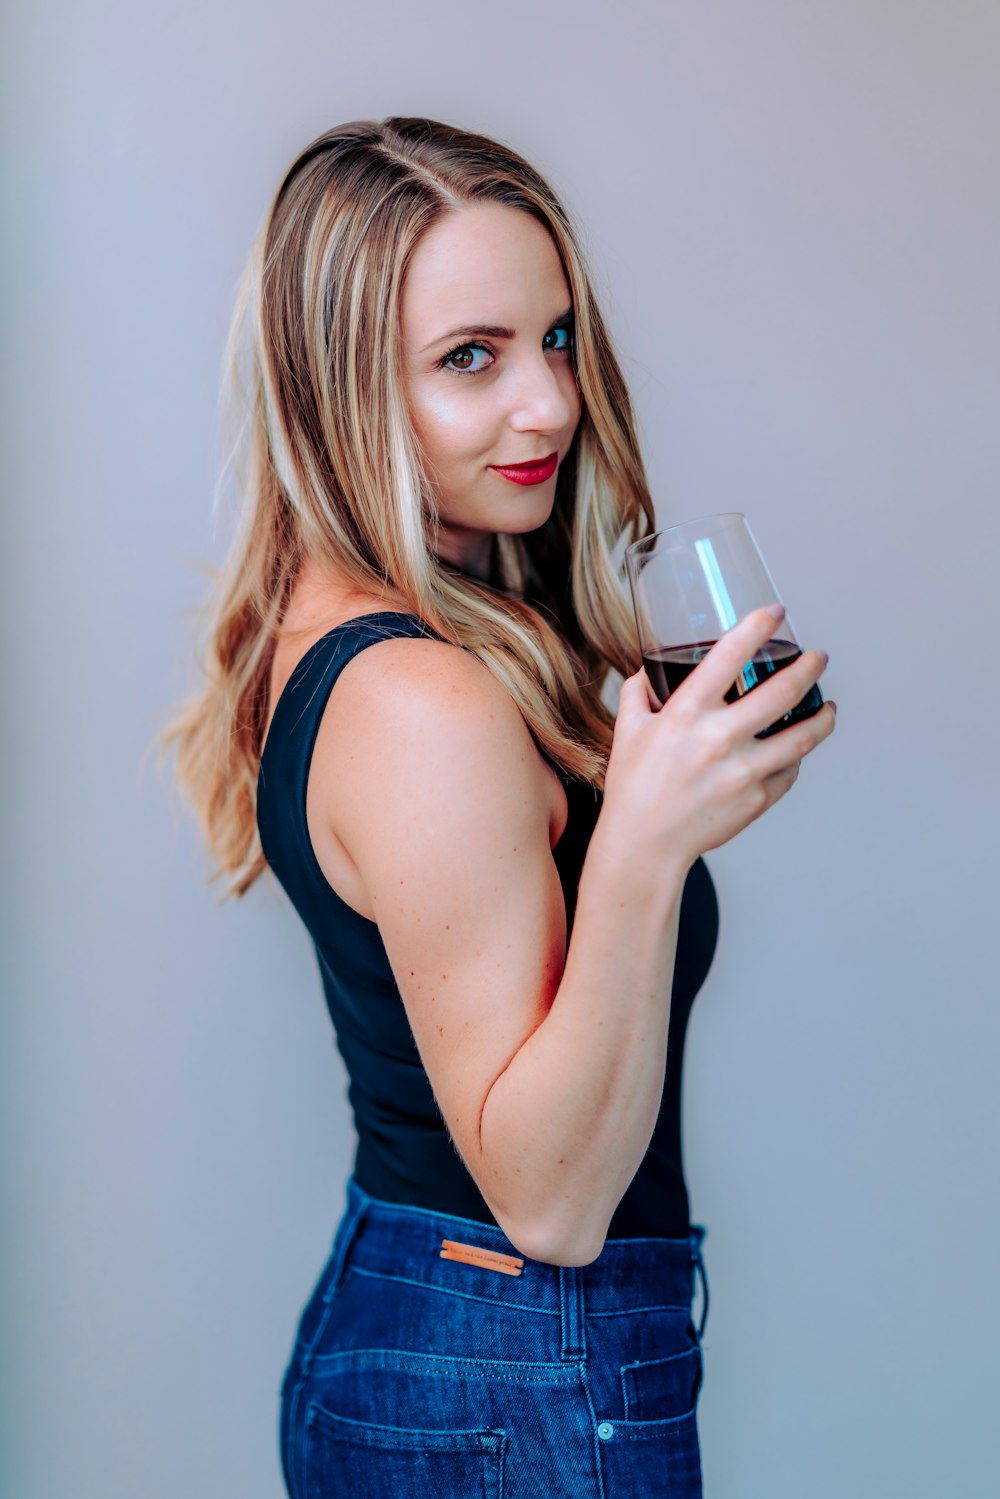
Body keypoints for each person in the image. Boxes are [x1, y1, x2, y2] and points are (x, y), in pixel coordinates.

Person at [163, 116, 835, 1499]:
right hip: (511, 1368)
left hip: (459, 1357)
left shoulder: (386, 629)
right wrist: (646, 844)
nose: (547, 404)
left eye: (557, 339)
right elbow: (551, 1201)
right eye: (469, 358)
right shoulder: (422, 699)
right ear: (342, 389)